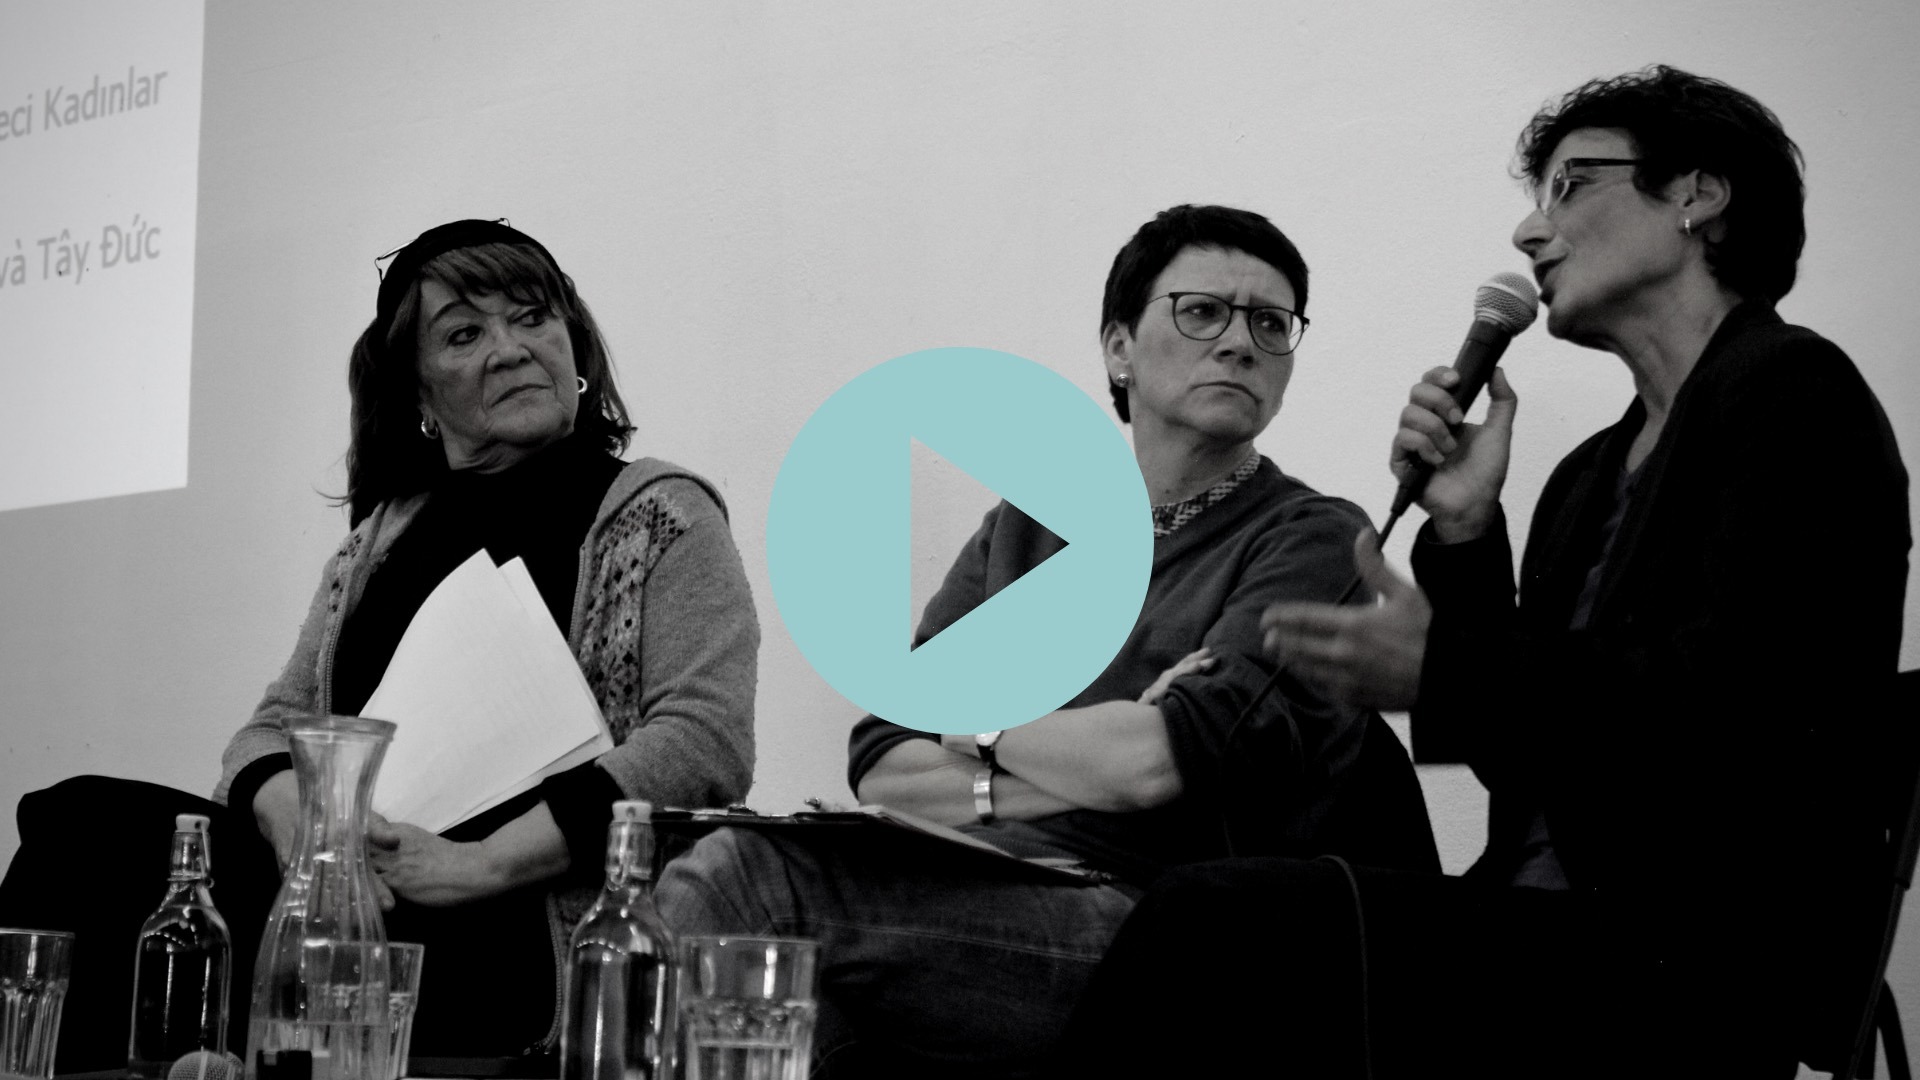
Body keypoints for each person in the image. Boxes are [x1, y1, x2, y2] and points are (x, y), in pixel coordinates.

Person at [1063, 67, 1909, 1077]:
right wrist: (1464, 532)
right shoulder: (1589, 476)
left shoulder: (1792, 392)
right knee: (1223, 928)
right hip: (1549, 927)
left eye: (1569, 185)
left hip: (1697, 955)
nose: (1529, 231)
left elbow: (1746, 709)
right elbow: (1527, 756)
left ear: (1697, 194)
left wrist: (1440, 668)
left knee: (1213, 920)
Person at [654, 204, 1438, 1079]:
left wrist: (970, 725)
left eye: (1271, 323)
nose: (1239, 342)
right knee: (772, 986)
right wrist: (1064, 760)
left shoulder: (1309, 535)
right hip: (982, 888)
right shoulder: (1030, 527)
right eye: (1202, 311)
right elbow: (882, 755)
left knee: (747, 881)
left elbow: (1158, 761)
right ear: (1118, 348)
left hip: (1163, 930)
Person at [1, 219, 759, 1066]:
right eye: (465, 335)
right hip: (344, 899)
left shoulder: (660, 511)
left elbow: (704, 740)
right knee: (78, 825)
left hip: (519, 921)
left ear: (574, 345)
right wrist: (303, 831)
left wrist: (476, 865)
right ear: (420, 397)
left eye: (533, 317)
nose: (511, 349)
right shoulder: (381, 539)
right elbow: (270, 728)